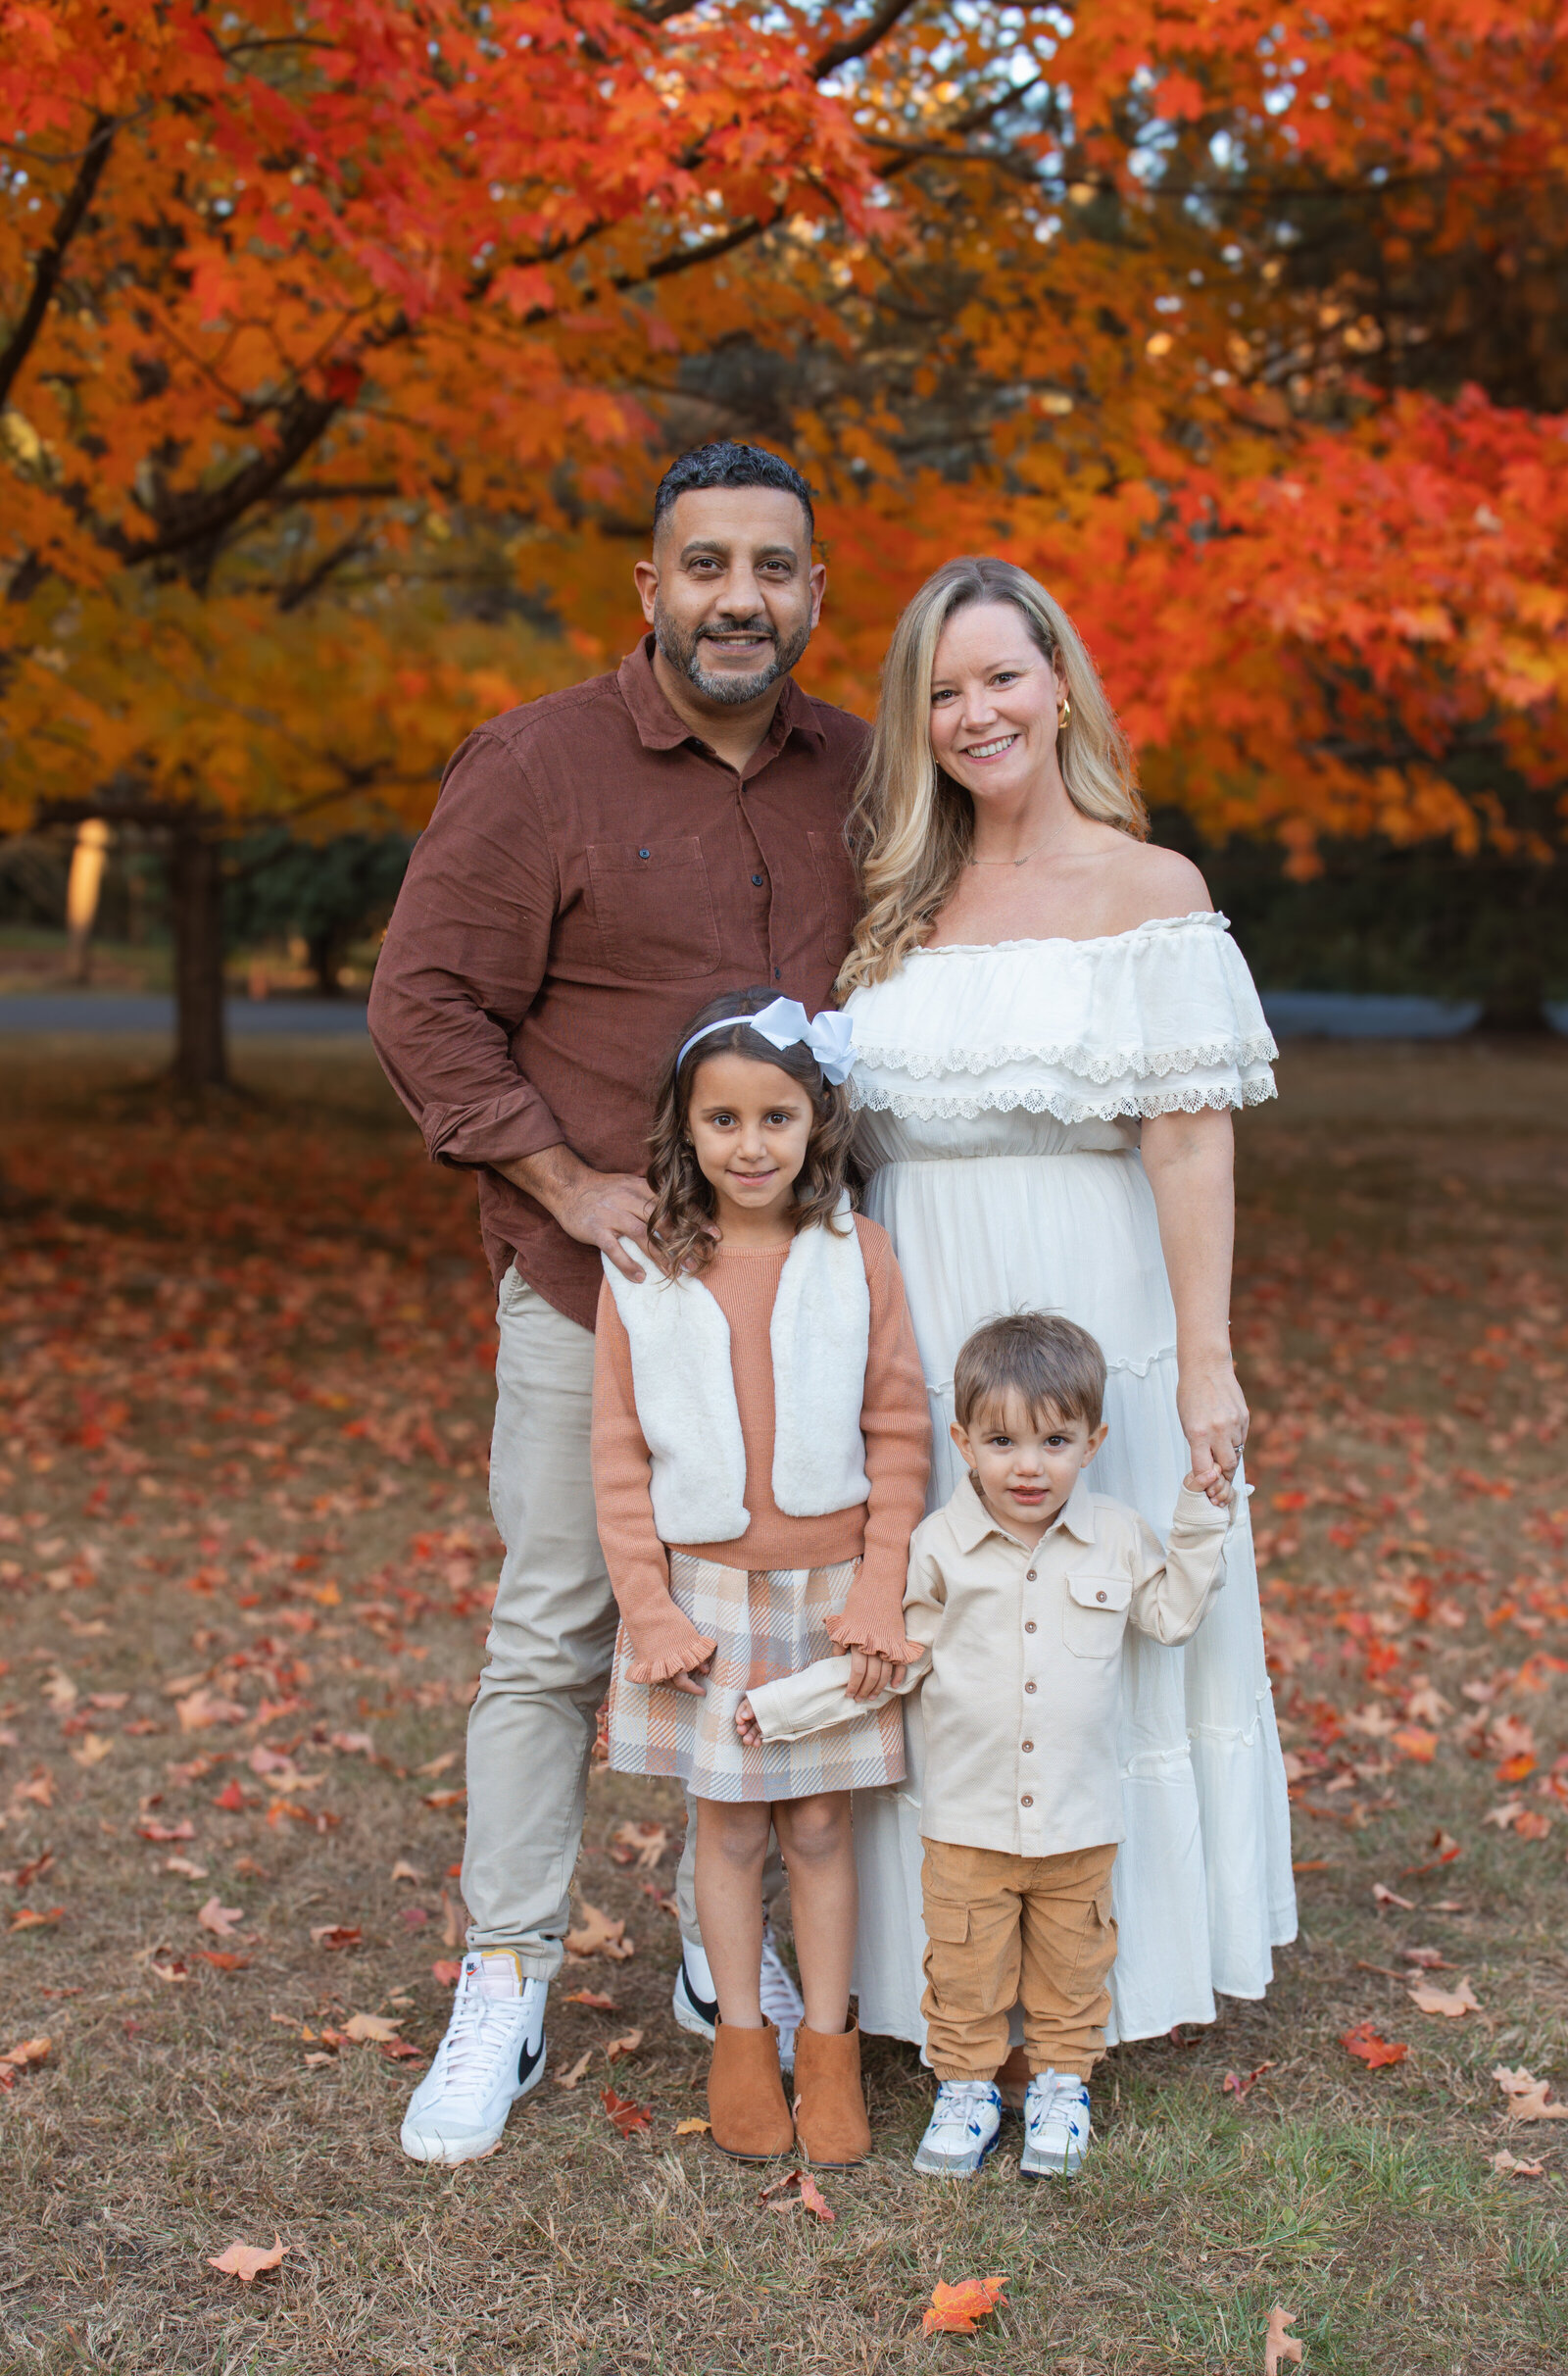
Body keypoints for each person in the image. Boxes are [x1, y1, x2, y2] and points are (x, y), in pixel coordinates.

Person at [368, 442, 872, 2166]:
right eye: (708, 564)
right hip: (604, 1292)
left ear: (815, 592)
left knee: (776, 1613)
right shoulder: (538, 767)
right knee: (554, 1630)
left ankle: (715, 1949)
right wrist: (563, 1179)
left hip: (807, 1306)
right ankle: (501, 1971)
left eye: (777, 568)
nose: (744, 596)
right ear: (648, 589)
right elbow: (425, 999)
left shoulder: (862, 776)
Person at [821, 554, 1297, 2056]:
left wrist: (1206, 1368)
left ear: (1062, 683)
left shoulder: (1150, 892)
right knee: (952, 1613)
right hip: (926, 1297)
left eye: (1001, 678)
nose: (975, 714)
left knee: (1110, 1613)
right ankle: (938, 1984)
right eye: (942, 693)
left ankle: (1123, 1977)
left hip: (1103, 1302)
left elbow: (1188, 1132)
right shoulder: (899, 898)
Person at [743, 1312, 1239, 2180]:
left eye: (1055, 1440)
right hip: (968, 1821)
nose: (1029, 1465)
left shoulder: (1118, 1536)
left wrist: (1200, 1517)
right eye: (1003, 1441)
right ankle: (965, 2091)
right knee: (964, 1967)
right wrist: (785, 1707)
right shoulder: (939, 1547)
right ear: (963, 1441)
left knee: (1073, 1965)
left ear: (1093, 1442)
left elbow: (1171, 1617)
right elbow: (890, 1662)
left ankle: (1059, 2087)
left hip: (1079, 1823)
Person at [591, 987, 929, 2162]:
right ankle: (743, 2038)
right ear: (686, 1129)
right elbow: (618, 1452)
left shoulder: (855, 1252)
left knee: (822, 1828)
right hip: (706, 1598)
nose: (749, 1145)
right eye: (723, 1119)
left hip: (831, 1590)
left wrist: (879, 1588)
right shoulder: (644, 1267)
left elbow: (897, 1428)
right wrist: (649, 1608)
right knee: (727, 1834)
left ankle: (826, 2048)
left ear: (814, 1122)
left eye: (775, 1117)